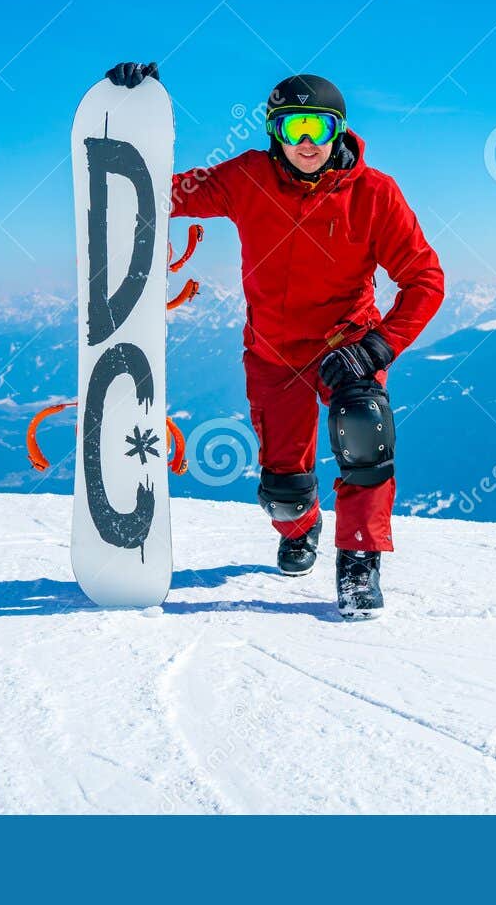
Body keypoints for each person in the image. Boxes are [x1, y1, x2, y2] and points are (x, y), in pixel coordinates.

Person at [105, 62, 445, 619]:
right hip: (274, 353)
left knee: (365, 437)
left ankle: (359, 563)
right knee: (283, 488)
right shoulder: (246, 178)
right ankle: (300, 526)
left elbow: (425, 280)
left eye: (319, 128)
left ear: (338, 131)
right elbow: (165, 195)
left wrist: (379, 347)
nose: (307, 143)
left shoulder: (375, 194)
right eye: (293, 129)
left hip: (347, 348)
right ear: (273, 133)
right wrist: (132, 117)